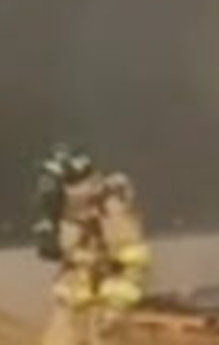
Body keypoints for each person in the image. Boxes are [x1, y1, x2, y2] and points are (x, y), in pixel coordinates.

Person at [35, 145, 150, 345]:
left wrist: (116, 308)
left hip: (101, 316)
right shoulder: (73, 214)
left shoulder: (110, 210)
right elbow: (63, 250)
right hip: (72, 310)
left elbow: (133, 262)